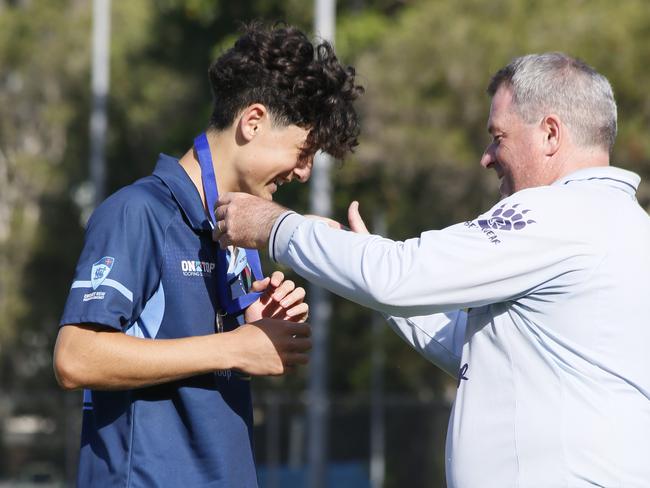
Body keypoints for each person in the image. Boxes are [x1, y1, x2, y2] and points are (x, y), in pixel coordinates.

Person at [214, 53, 650, 487]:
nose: (487, 157)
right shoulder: (627, 227)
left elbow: (399, 276)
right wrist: (367, 270)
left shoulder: (556, 215)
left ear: (550, 134)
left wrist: (273, 226)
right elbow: (473, 347)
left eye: (498, 137)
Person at [53, 22, 363, 487]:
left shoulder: (233, 233)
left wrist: (257, 329)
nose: (303, 173)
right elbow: (75, 358)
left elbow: (203, 363)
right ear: (252, 121)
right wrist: (234, 348)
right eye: (304, 152)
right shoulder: (139, 211)